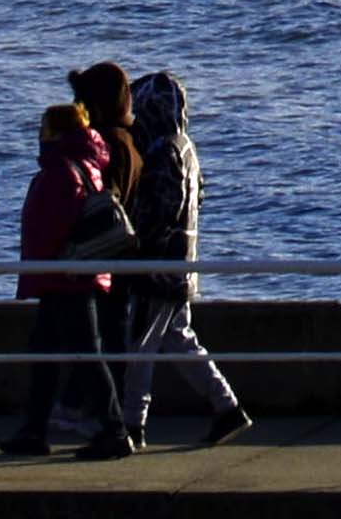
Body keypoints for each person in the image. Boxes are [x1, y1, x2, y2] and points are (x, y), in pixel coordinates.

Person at [0, 98, 138, 461]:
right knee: (46, 353)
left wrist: (38, 259)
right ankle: (34, 429)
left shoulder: (62, 169)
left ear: (56, 131)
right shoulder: (83, 164)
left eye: (43, 127)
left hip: (66, 276)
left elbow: (54, 225)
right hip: (66, 275)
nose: (38, 133)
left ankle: (114, 430)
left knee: (85, 354)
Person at [117, 69, 250, 447]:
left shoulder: (162, 152)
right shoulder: (187, 147)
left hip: (157, 265)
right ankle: (227, 406)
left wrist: (134, 242)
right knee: (179, 339)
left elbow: (158, 210)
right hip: (182, 263)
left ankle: (131, 424)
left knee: (138, 345)